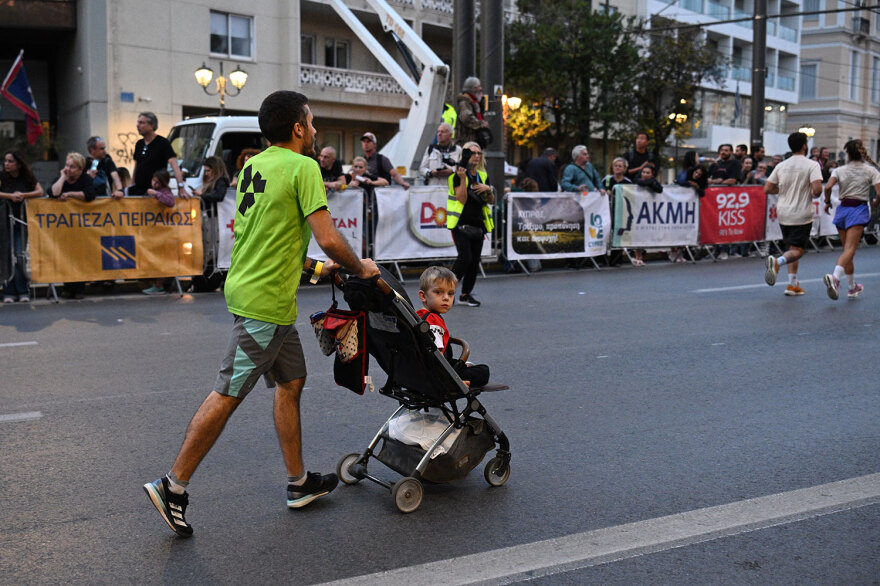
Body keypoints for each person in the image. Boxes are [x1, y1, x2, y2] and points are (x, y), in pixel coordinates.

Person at [143, 90, 380, 538]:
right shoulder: (304, 167)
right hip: (265, 305)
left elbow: (268, 237)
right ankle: (172, 486)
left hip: (257, 290)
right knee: (227, 393)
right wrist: (359, 267)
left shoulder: (254, 165)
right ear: (297, 128)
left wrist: (314, 270)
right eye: (310, 124)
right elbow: (328, 237)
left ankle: (299, 483)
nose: (314, 132)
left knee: (291, 382)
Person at [763, 132, 823, 296]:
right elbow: (817, 190)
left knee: (792, 248)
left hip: (783, 212)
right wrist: (809, 192)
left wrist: (783, 190)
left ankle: (792, 284)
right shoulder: (812, 165)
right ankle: (777, 262)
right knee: (798, 251)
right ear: (805, 146)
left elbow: (767, 188)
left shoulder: (781, 165)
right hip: (801, 212)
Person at [821, 139, 880, 300]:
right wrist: (875, 202)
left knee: (848, 251)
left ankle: (852, 287)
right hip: (858, 209)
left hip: (842, 209)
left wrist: (827, 202)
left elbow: (827, 187)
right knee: (850, 249)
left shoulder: (839, 170)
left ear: (847, 154)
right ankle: (835, 277)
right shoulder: (870, 170)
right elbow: (879, 192)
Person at [416, 266, 489, 388]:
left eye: (450, 294)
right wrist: (448, 380)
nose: (446, 298)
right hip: (437, 374)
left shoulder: (418, 315)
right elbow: (436, 354)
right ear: (423, 296)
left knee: (466, 366)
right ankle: (458, 383)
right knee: (483, 371)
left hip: (419, 370)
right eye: (438, 292)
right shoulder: (432, 320)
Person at [448, 141, 494, 307]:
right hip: (460, 223)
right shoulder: (455, 176)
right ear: (464, 155)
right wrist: (462, 178)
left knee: (475, 261)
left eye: (478, 153)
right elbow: (462, 198)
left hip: (478, 223)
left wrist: (488, 189)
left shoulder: (482, 175)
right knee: (464, 258)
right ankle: (447, 291)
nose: (476, 155)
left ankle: (466, 294)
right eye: (471, 152)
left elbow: (491, 200)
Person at [49, 152, 97, 299]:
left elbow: (90, 194)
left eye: (72, 167)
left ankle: (80, 288)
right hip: (64, 226)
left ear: (80, 169)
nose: (69, 169)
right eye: (67, 165)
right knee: (66, 256)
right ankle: (68, 287)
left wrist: (70, 194)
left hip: (82, 225)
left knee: (80, 256)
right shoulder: (62, 178)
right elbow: (53, 193)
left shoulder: (85, 179)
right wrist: (63, 177)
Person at [0, 150, 45, 303]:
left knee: (19, 256)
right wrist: (10, 196)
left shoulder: (27, 177)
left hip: (21, 221)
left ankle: (22, 289)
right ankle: (8, 291)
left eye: (10, 161)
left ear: (18, 164)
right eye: (5, 161)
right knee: (7, 256)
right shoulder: (2, 177)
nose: (6, 164)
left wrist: (24, 195)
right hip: (5, 222)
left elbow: (40, 191)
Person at [124, 112, 188, 199]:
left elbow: (174, 165)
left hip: (156, 193)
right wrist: (132, 185)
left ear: (152, 126)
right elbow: (136, 167)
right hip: (139, 192)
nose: (137, 125)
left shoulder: (163, 143)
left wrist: (181, 187)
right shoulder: (139, 144)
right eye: (138, 122)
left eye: (141, 122)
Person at [455, 76, 489, 147]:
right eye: (478, 86)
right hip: (466, 142)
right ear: (473, 89)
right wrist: (481, 124)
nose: (481, 89)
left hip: (472, 140)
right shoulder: (464, 103)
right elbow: (467, 118)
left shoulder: (475, 102)